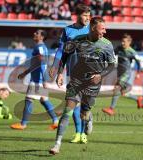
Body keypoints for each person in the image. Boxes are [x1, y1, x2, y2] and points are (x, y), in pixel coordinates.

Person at [49, 16, 116, 155]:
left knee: (84, 113)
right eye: (102, 28)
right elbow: (65, 56)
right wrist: (60, 73)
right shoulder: (77, 40)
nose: (105, 31)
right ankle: (57, 144)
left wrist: (100, 76)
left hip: (93, 83)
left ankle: (89, 116)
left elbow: (111, 66)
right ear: (93, 27)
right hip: (76, 81)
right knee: (68, 111)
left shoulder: (107, 45)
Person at [49, 4, 92, 144]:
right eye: (85, 15)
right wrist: (57, 70)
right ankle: (79, 133)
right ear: (77, 15)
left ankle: (88, 121)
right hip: (72, 74)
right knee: (73, 105)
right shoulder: (68, 30)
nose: (87, 18)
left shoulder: (92, 29)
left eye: (89, 15)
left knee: (84, 106)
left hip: (89, 74)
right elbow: (62, 51)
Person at [10, 29, 58, 130]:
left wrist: (44, 79)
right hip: (39, 78)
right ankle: (55, 121)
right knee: (44, 100)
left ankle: (23, 124)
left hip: (38, 80)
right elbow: (36, 63)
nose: (34, 34)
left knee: (29, 99)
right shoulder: (42, 47)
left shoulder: (40, 47)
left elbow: (42, 62)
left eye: (37, 33)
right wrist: (25, 73)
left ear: (42, 37)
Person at [102, 33, 142, 115]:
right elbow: (112, 55)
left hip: (126, 73)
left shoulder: (132, 52)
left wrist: (138, 73)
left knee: (117, 88)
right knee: (123, 92)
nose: (122, 43)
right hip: (119, 73)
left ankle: (111, 109)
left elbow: (139, 62)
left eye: (124, 41)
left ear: (129, 42)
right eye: (122, 41)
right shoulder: (119, 48)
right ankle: (138, 99)